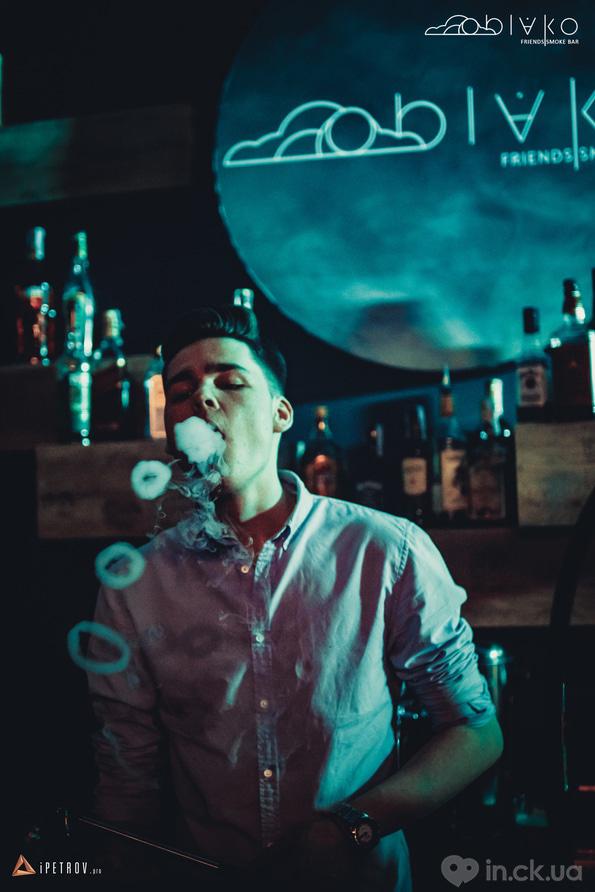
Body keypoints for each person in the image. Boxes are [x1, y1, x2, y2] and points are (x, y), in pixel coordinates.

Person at [87, 305, 503, 891]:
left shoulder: (387, 550)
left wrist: (350, 828)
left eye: (230, 382)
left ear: (280, 413)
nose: (202, 397)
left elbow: (476, 732)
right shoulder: (136, 585)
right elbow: (126, 782)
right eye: (181, 392)